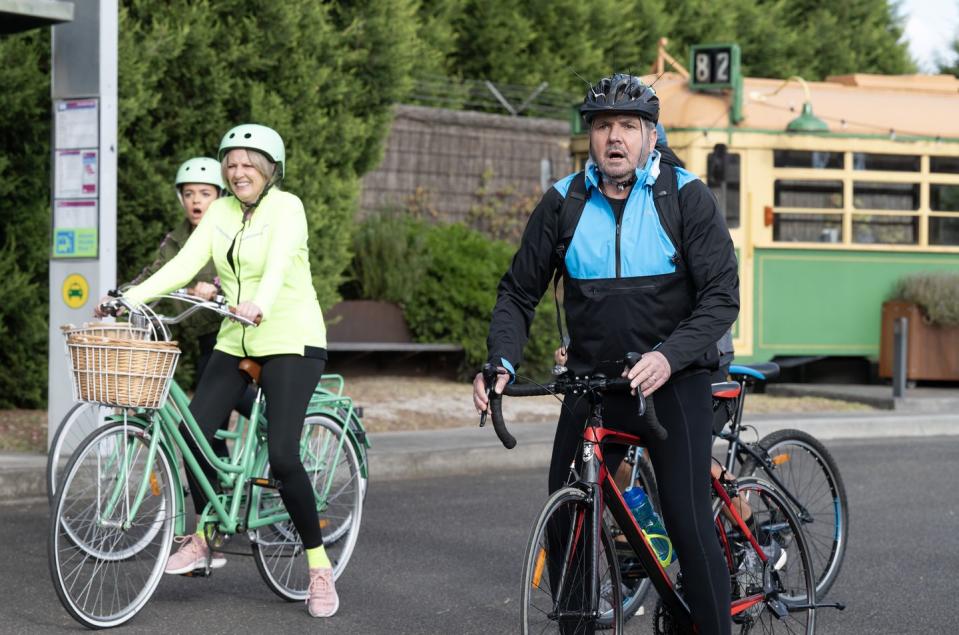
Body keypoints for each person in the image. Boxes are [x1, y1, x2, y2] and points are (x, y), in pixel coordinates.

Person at [472, 74, 739, 634]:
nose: (614, 137)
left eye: (628, 125)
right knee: (568, 516)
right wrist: (500, 362)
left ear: (649, 134)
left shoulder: (686, 197)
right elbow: (519, 292)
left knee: (688, 526)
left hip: (673, 383)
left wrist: (668, 356)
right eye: (602, 125)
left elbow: (720, 299)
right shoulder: (564, 202)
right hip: (592, 386)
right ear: (590, 135)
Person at [116, 124, 338, 618]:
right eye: (231, 164)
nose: (238, 172)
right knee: (193, 435)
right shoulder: (218, 212)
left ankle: (319, 567)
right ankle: (207, 535)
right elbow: (185, 265)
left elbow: (280, 263)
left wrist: (260, 301)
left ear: (269, 170)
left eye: (248, 164)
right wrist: (129, 298)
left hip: (290, 337)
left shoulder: (288, 207)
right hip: (236, 336)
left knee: (282, 456)